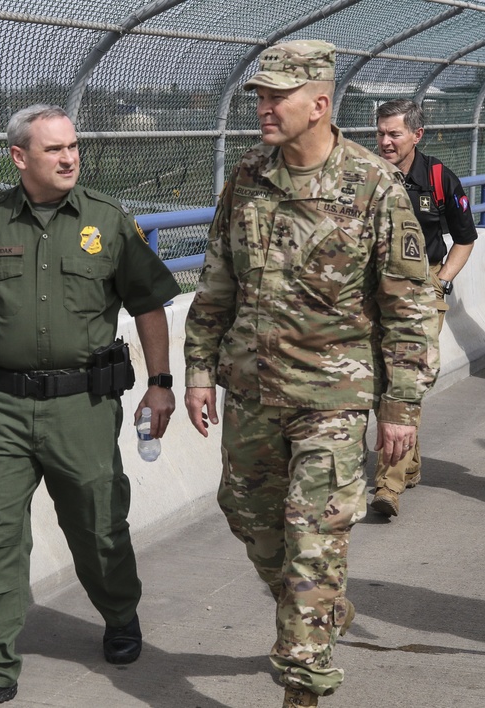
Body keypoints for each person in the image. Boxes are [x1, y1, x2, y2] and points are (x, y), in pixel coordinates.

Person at [0, 104, 181, 708]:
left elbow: (148, 303)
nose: (69, 157)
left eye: (73, 146)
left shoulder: (105, 221)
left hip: (82, 403)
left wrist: (160, 381)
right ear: (20, 157)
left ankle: (120, 613)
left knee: (97, 524)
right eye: (54, 150)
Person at [183, 41, 438, 708]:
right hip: (253, 391)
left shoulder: (372, 186)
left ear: (319, 104)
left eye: (277, 98)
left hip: (334, 399)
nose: (264, 109)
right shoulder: (246, 179)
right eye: (260, 98)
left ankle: (304, 682)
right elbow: (216, 283)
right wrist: (199, 369)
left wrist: (401, 410)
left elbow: (410, 308)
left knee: (310, 544)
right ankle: (323, 614)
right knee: (246, 515)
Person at [371, 98, 478, 517]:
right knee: (383, 385)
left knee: (406, 381)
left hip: (421, 293)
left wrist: (441, 282)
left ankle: (388, 485)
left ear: (417, 135)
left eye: (394, 134)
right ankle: (407, 464)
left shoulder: (438, 178)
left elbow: (465, 238)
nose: (385, 141)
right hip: (372, 293)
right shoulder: (364, 176)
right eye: (380, 133)